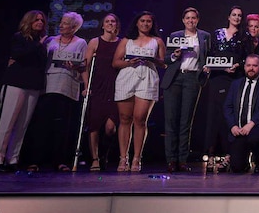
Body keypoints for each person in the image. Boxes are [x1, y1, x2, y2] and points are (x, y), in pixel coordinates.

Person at [24, 11, 87, 172]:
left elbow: (83, 65)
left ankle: (60, 161)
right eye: (61, 22)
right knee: (41, 125)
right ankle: (35, 160)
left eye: (65, 23)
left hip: (67, 86)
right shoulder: (50, 41)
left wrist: (78, 71)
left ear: (74, 27)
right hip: (47, 85)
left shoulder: (81, 42)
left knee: (63, 127)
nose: (60, 25)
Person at [0, 10, 48, 172]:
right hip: (15, 83)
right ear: (29, 21)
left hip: (33, 86)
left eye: (42, 20)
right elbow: (17, 54)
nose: (40, 22)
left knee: (22, 125)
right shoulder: (20, 37)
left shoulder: (42, 42)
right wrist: (38, 45)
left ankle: (12, 159)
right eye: (36, 20)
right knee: (7, 122)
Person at [112, 11, 167, 172]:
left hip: (148, 77)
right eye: (142, 21)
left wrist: (153, 59)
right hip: (127, 76)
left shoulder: (157, 41)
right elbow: (115, 62)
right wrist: (129, 62)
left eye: (148, 21)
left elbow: (163, 63)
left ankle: (137, 158)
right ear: (137, 23)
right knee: (124, 118)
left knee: (140, 118)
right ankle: (123, 158)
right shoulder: (126, 41)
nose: (145, 24)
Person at [162, 7, 212, 173]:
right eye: (188, 18)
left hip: (192, 78)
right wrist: (175, 55)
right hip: (175, 78)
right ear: (183, 20)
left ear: (197, 20)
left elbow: (207, 57)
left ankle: (182, 160)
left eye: (193, 18)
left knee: (186, 122)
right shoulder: (175, 36)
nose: (191, 21)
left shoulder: (204, 36)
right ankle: (171, 160)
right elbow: (166, 59)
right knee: (171, 121)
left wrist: (206, 68)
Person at [203, 6, 245, 170]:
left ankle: (228, 155)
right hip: (216, 79)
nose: (236, 17)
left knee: (230, 116)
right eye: (234, 14)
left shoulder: (243, 36)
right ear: (228, 17)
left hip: (233, 80)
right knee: (214, 116)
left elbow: (245, 58)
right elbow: (209, 55)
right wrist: (209, 66)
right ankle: (211, 155)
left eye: (239, 15)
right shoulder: (217, 33)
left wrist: (237, 65)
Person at [224, 54, 259, 173]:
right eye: (248, 65)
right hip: (238, 128)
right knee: (236, 167)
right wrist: (233, 126)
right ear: (244, 67)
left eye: (254, 65)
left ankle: (258, 160)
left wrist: (252, 123)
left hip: (258, 125)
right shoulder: (236, 84)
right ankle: (244, 163)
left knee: (253, 137)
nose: (251, 68)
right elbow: (227, 107)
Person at [81, 13, 121, 172]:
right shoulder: (95, 42)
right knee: (94, 125)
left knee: (110, 127)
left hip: (115, 88)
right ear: (103, 25)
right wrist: (86, 85)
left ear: (117, 25)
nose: (110, 24)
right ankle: (95, 159)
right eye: (107, 22)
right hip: (97, 88)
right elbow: (85, 65)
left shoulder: (121, 43)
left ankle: (105, 154)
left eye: (113, 21)